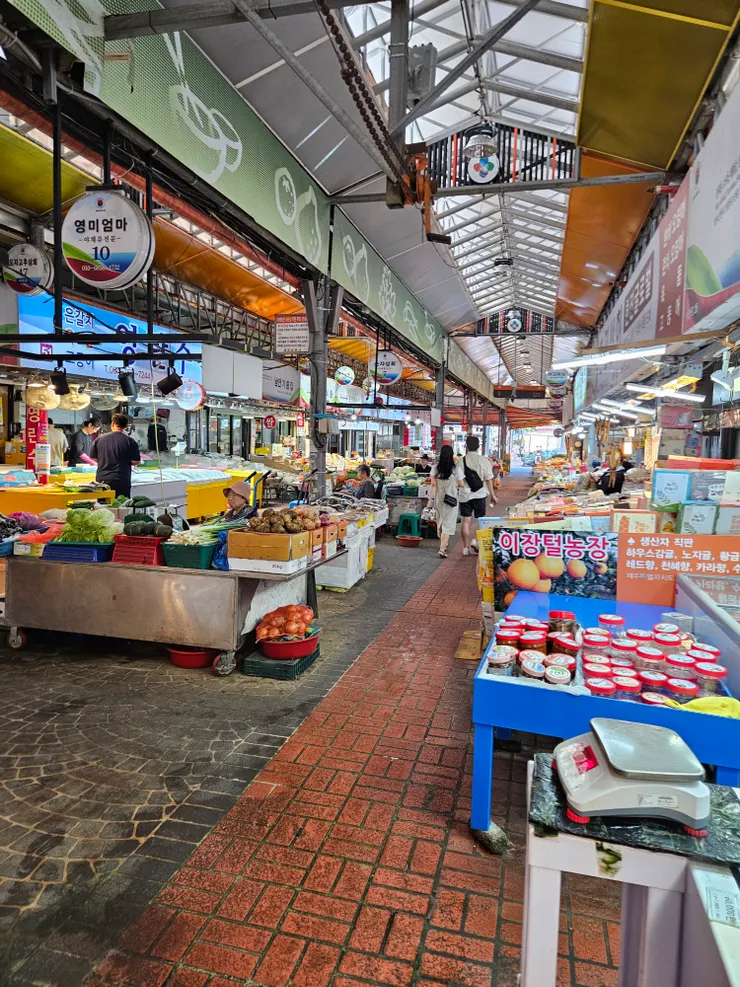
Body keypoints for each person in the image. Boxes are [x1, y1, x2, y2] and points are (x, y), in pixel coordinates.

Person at [459, 434, 497, 557]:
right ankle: (477, 542)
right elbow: (489, 480)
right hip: (480, 494)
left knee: (466, 521)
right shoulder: (483, 460)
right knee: (481, 520)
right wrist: (493, 495)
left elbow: (458, 479)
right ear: (478, 447)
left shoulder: (461, 461)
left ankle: (465, 548)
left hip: (465, 495)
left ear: (466, 446)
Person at [92, 413, 141, 498]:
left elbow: (93, 458)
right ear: (125, 426)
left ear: (113, 424)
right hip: (121, 479)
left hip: (103, 479)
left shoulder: (99, 439)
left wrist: (105, 460)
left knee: (102, 507)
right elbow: (136, 461)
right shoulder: (130, 441)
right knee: (122, 506)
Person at [430, 445, 463, 558]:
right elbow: (461, 484)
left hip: (439, 499)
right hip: (451, 500)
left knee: (440, 521)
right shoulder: (455, 469)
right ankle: (442, 549)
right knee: (448, 524)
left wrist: (430, 499)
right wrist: (456, 485)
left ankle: (443, 543)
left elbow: (433, 485)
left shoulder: (435, 468)